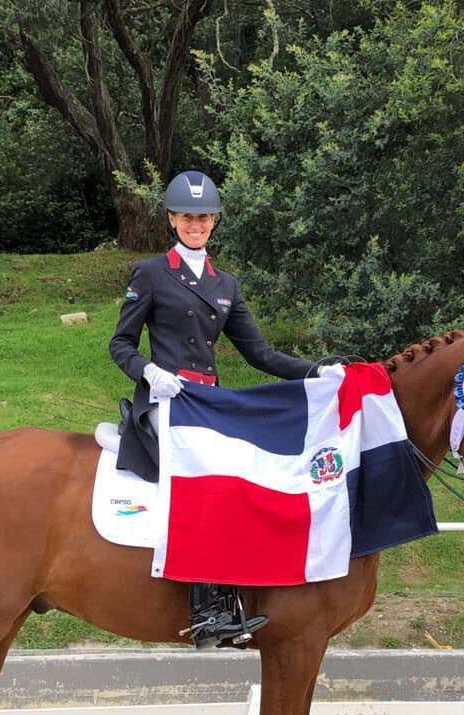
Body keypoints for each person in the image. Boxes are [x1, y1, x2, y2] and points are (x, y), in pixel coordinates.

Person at [109, 170, 316, 650]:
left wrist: (316, 371)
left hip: (208, 403)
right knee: (208, 479)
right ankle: (205, 612)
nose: (195, 225)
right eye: (186, 217)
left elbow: (259, 354)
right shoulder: (151, 273)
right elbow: (120, 344)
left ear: (214, 222)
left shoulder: (226, 284)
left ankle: (237, 594)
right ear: (171, 219)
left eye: (203, 218)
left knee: (248, 476)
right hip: (166, 399)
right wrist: (149, 371)